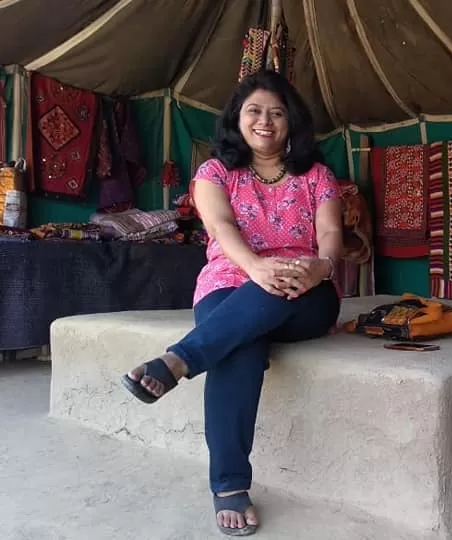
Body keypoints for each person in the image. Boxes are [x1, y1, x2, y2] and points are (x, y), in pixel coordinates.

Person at [119, 70, 342, 536]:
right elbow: (221, 228)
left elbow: (330, 236)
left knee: (259, 305)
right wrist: (256, 268)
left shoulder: (317, 176)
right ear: (237, 119)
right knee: (239, 344)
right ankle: (229, 486)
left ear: (292, 122)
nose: (265, 121)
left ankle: (179, 360)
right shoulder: (215, 172)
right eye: (254, 111)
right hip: (229, 279)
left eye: (277, 113)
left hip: (307, 291)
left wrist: (321, 268)